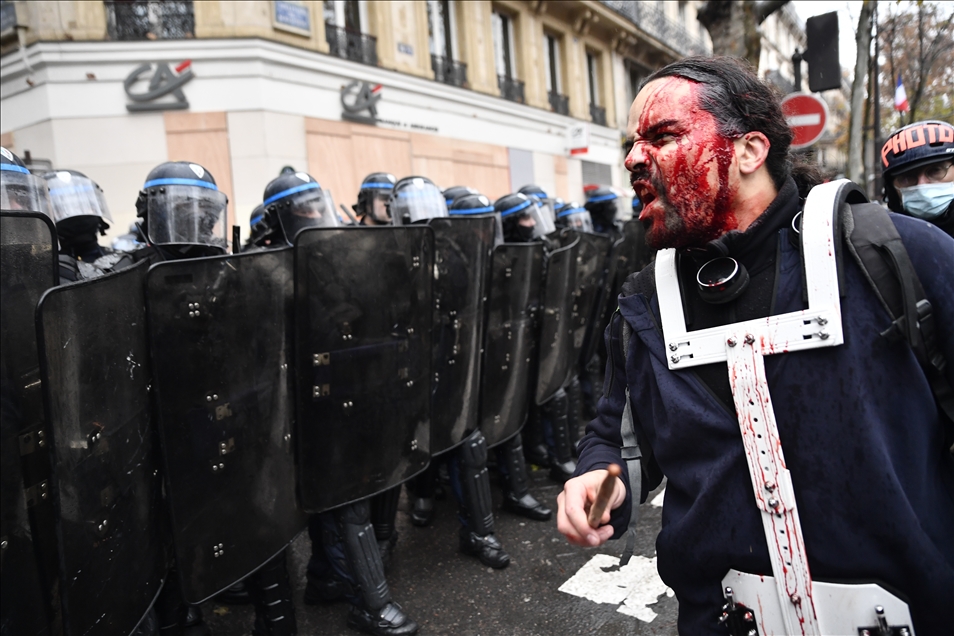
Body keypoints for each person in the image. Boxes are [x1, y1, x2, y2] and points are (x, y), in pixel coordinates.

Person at [557, 56, 953, 635]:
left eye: (662, 136)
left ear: (749, 151)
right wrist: (600, 478)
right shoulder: (646, 303)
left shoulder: (900, 254)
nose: (634, 159)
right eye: (633, 143)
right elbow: (619, 438)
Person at [880, 120, 954, 236]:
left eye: (935, 171)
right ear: (892, 191)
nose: (922, 185)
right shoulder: (880, 240)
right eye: (907, 178)